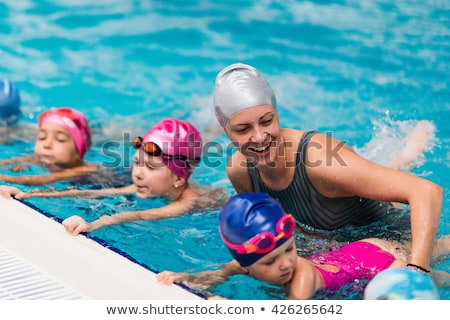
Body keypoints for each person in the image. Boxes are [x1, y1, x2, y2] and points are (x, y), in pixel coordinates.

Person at [211, 62, 443, 273]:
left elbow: (426, 192)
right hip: (339, 246)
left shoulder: (321, 162)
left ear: (277, 113)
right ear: (225, 129)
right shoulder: (240, 172)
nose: (259, 137)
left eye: (267, 121)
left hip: (390, 235)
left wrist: (417, 271)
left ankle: (409, 157)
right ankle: (401, 159)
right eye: (243, 129)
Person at [157, 193, 449, 300]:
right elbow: (217, 275)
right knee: (437, 248)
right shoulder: (241, 265)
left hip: (381, 267)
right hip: (361, 250)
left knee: (435, 281)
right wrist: (185, 279)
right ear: (246, 264)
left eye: (288, 250)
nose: (285, 264)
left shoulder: (302, 277)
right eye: (270, 262)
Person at [1, 118, 227, 235]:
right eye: (137, 162)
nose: (137, 173)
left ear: (178, 178)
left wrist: (92, 224)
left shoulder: (188, 202)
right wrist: (27, 194)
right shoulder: (146, 183)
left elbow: (139, 214)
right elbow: (93, 191)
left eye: (149, 167)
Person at [0, 106, 97, 185]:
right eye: (42, 137)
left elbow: (40, 180)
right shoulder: (42, 158)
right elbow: (10, 161)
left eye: (60, 139)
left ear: (78, 153)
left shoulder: (82, 170)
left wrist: (4, 177)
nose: (47, 144)